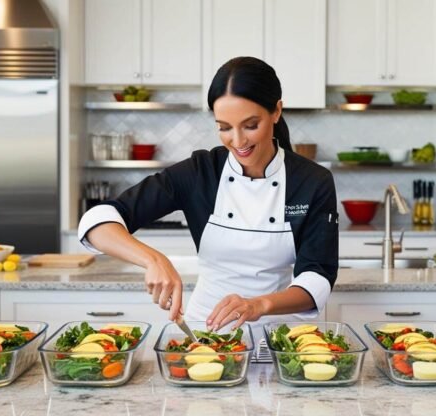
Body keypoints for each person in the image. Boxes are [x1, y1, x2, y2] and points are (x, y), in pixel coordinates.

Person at [78, 56, 338, 335]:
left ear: (276, 111)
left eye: (251, 125)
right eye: (224, 127)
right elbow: (98, 221)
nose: (238, 142)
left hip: (281, 339)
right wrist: (153, 260)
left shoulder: (312, 181)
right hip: (205, 334)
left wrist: (257, 305)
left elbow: (316, 279)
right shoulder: (200, 172)